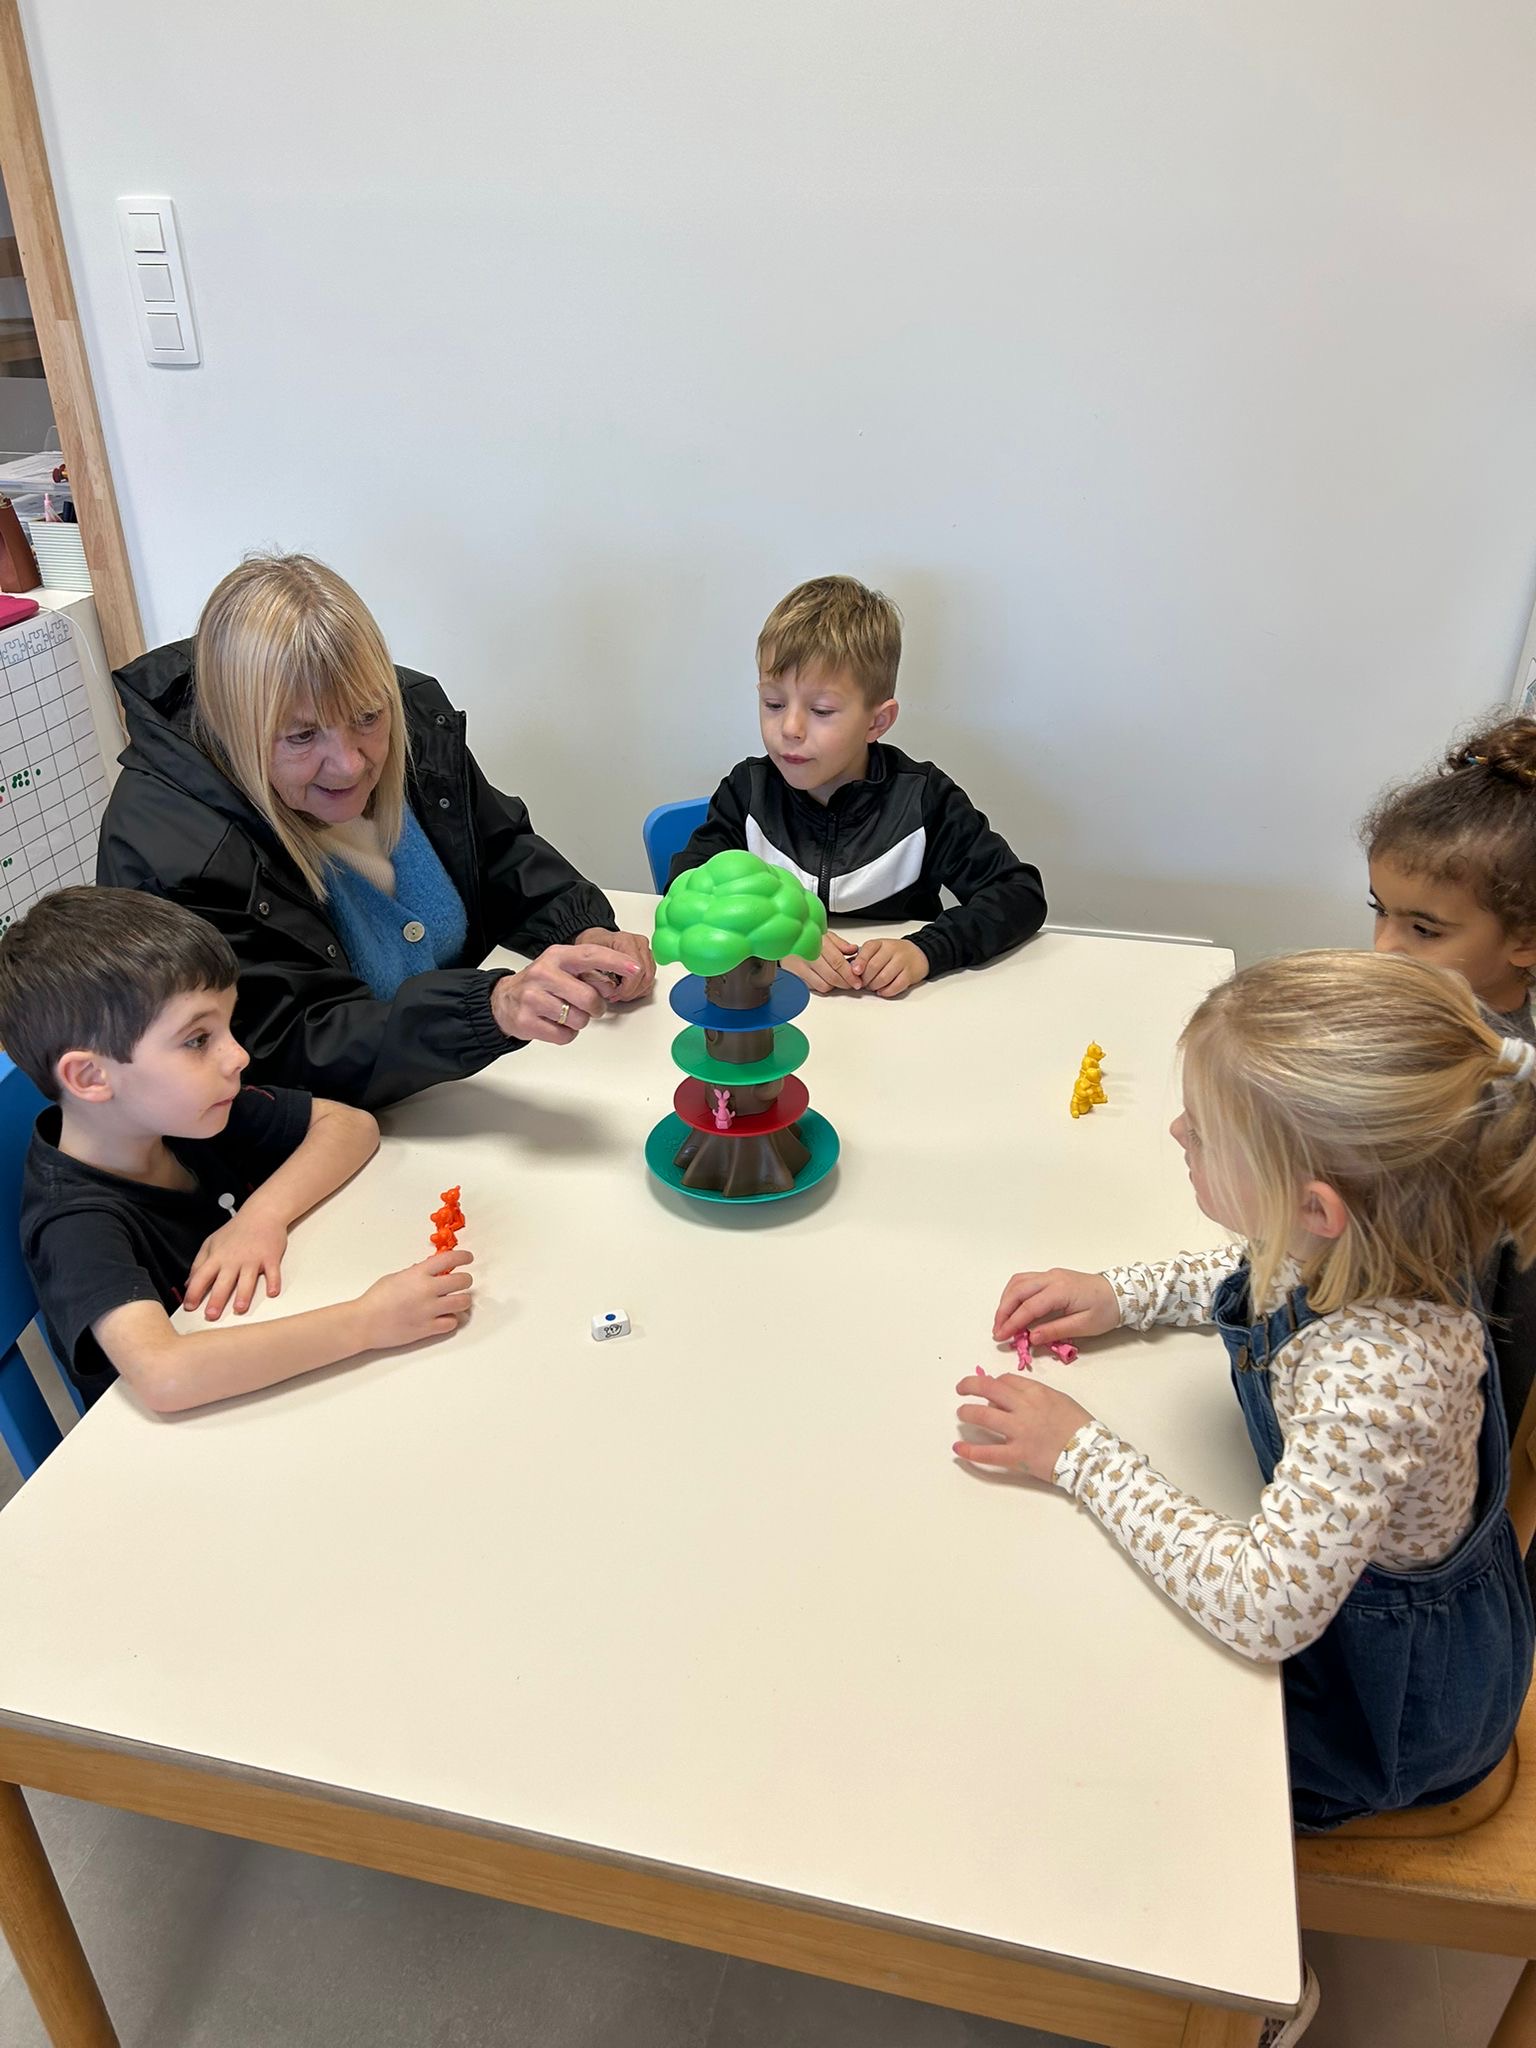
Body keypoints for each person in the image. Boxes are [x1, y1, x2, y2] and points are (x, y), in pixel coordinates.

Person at [959, 951, 1535, 1843]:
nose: (1176, 1132)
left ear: (1316, 1207)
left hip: (1384, 1711)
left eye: (1202, 1133)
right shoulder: (1368, 1241)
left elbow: (1261, 1606)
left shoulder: (1377, 1376)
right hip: (1331, 1598)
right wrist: (1123, 1294)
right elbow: (1260, 1271)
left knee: (1113, 1765)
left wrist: (1078, 1453)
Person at [97, 553, 655, 1108]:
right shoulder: (170, 848)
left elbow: (498, 852)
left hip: (452, 1094)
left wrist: (579, 929)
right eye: (302, 736)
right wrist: (489, 1009)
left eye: (367, 717)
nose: (350, 764)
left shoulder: (413, 719)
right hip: (330, 1127)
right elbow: (281, 1044)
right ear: (234, 729)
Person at [0, 887, 474, 1414]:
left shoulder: (183, 1113)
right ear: (91, 1077)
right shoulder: (74, 1223)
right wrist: (367, 1322)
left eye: (228, 1025)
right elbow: (164, 1375)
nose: (238, 1055)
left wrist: (260, 1217)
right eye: (197, 1039)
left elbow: (350, 1126)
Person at [668, 576, 1045, 997]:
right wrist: (770, 946)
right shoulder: (747, 791)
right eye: (773, 703)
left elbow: (1018, 896)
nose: (789, 728)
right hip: (769, 1003)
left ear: (876, 722)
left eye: (821, 710)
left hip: (894, 1011)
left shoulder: (925, 800)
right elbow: (686, 888)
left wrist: (926, 950)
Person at [1361, 715, 1536, 1042]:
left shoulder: (1491, 1067)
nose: (1383, 948)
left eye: (1424, 930)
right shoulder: (1419, 1005)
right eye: (1380, 910)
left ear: (1527, 942)